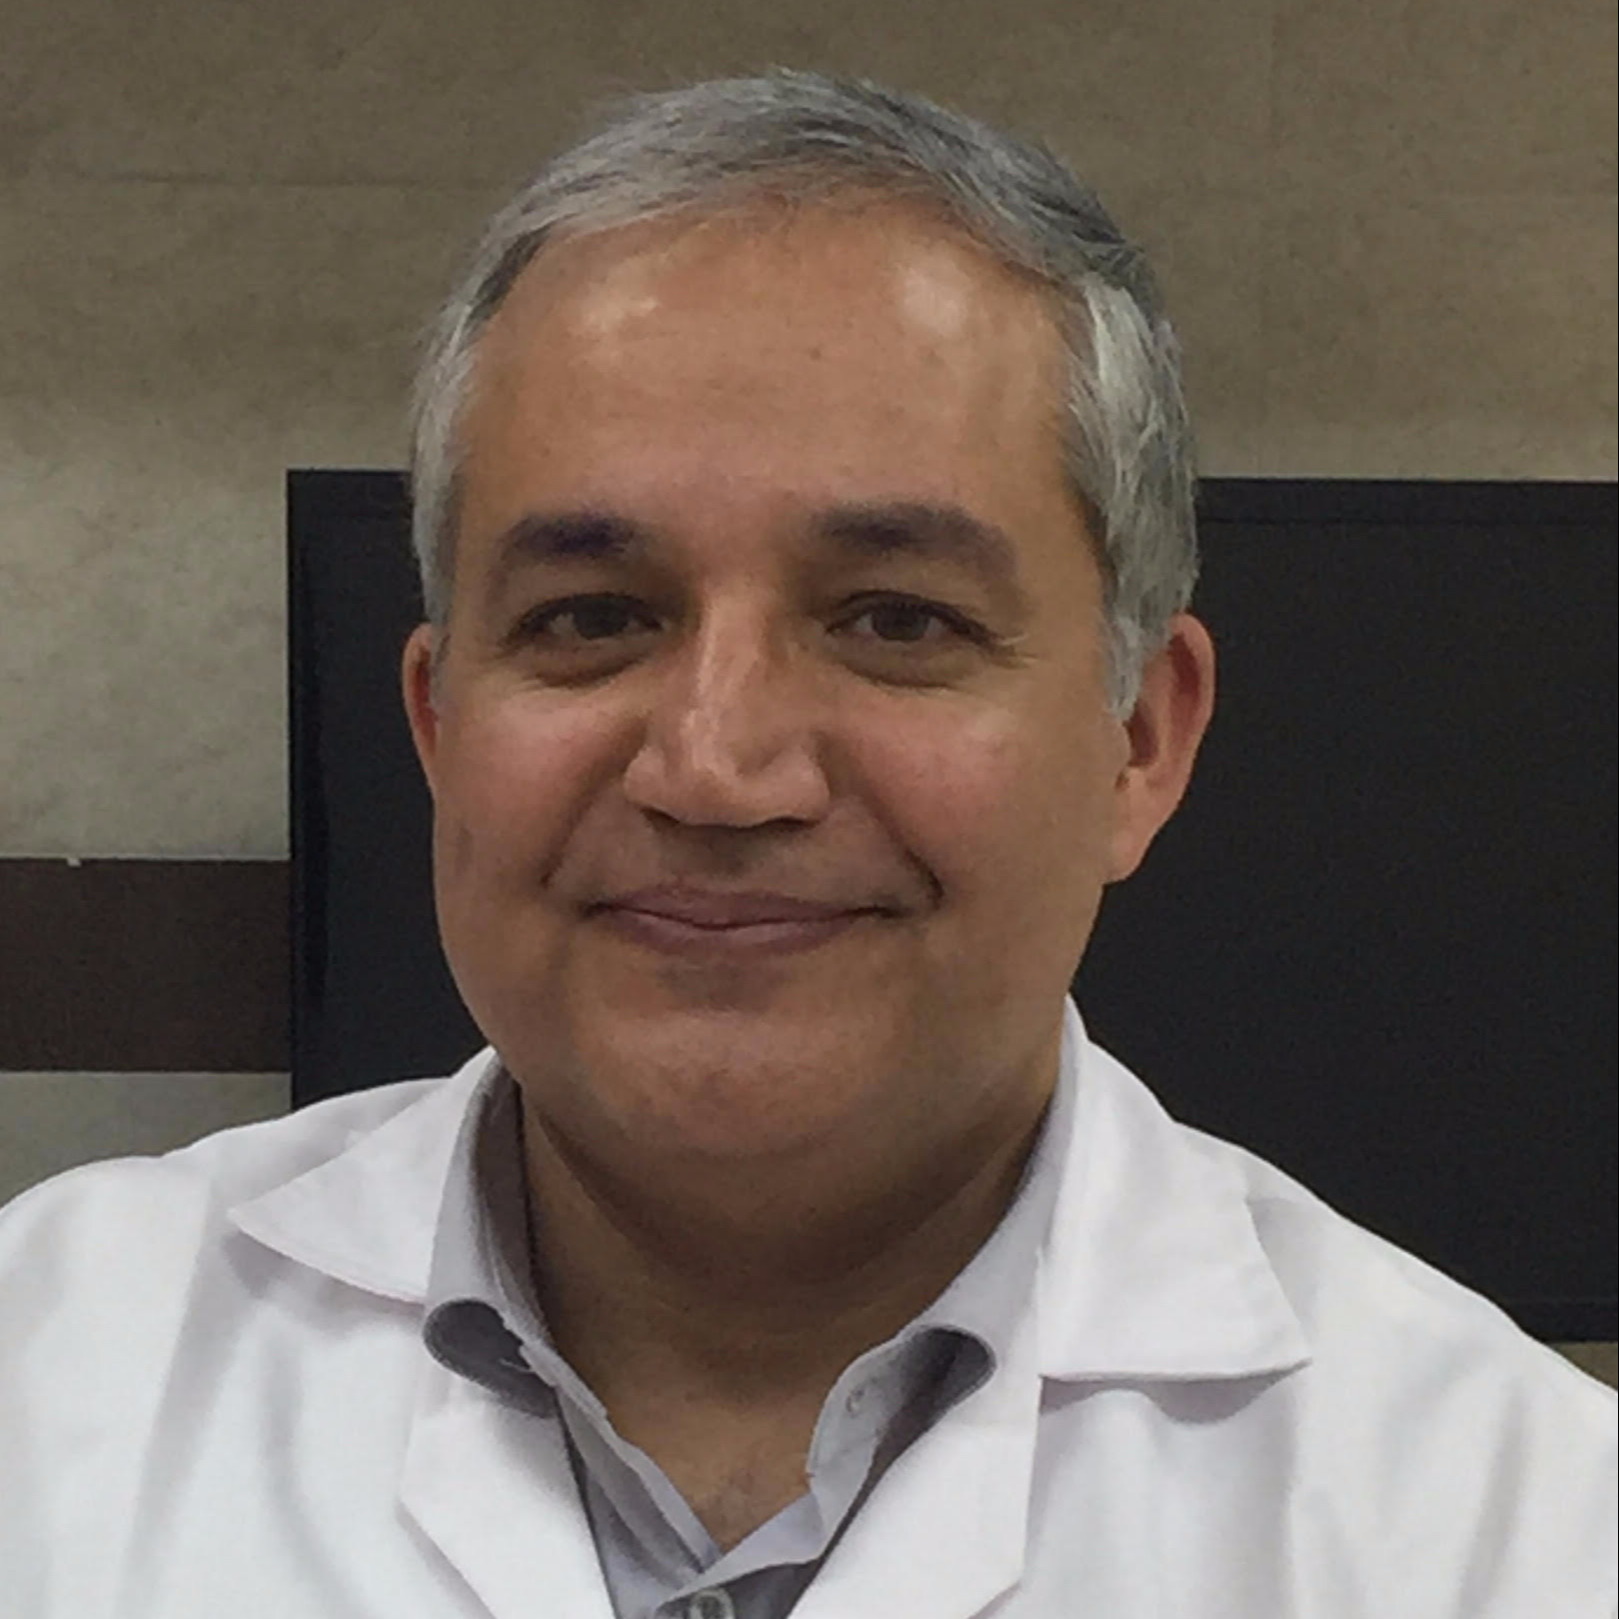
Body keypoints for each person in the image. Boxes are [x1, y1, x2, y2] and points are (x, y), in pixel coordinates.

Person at [0, 70, 1612, 1619]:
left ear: (1139, 738)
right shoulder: (49, 1376)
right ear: (437, 729)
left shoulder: (1518, 1528)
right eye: (591, 618)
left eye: (896, 620)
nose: (718, 769)